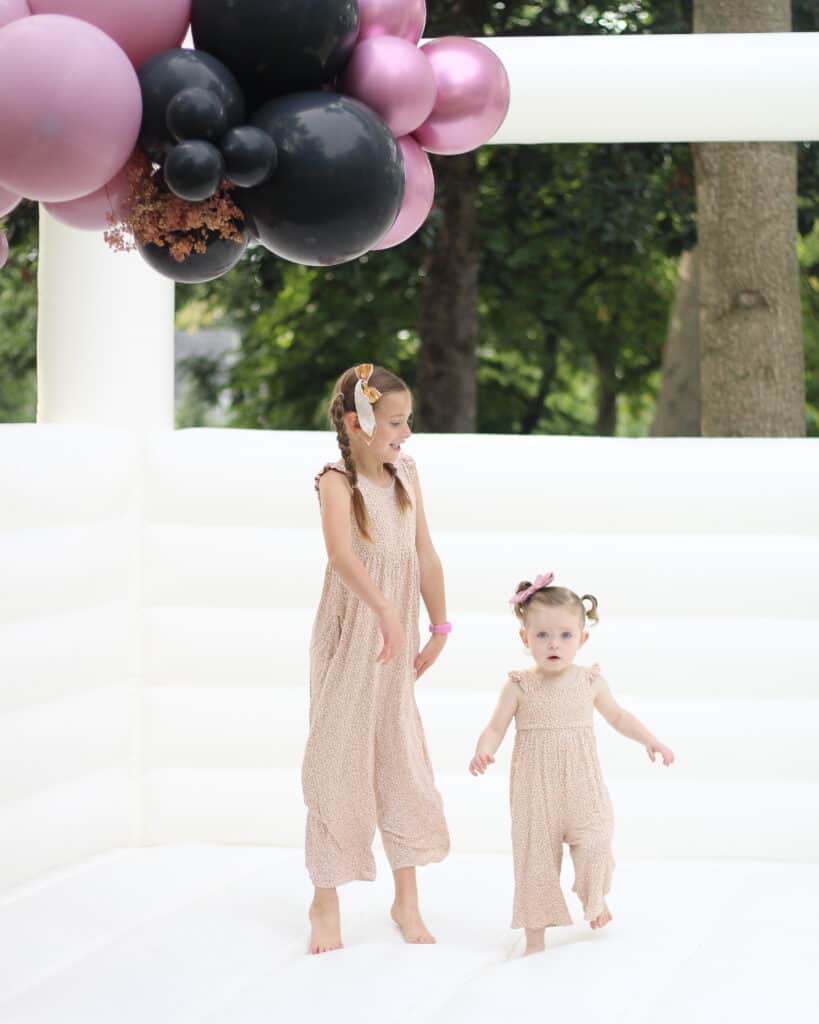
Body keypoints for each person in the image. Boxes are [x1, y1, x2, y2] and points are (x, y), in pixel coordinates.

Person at [302, 363, 451, 955]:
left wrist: (438, 625)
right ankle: (325, 897)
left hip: (394, 646)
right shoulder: (336, 481)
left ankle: (406, 897)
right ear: (356, 423)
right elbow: (342, 556)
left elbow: (427, 555)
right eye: (395, 422)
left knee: (400, 757)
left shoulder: (407, 475)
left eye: (406, 420)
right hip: (350, 639)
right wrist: (385, 610)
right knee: (338, 759)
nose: (406, 432)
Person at [469, 573, 675, 956]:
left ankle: (594, 896)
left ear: (582, 639)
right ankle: (534, 940)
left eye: (565, 635)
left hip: (582, 783)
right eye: (542, 635)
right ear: (524, 639)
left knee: (597, 838)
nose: (553, 644)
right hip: (535, 790)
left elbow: (618, 716)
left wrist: (651, 740)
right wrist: (484, 749)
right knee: (534, 860)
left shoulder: (590, 681)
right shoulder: (518, 685)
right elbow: (495, 726)